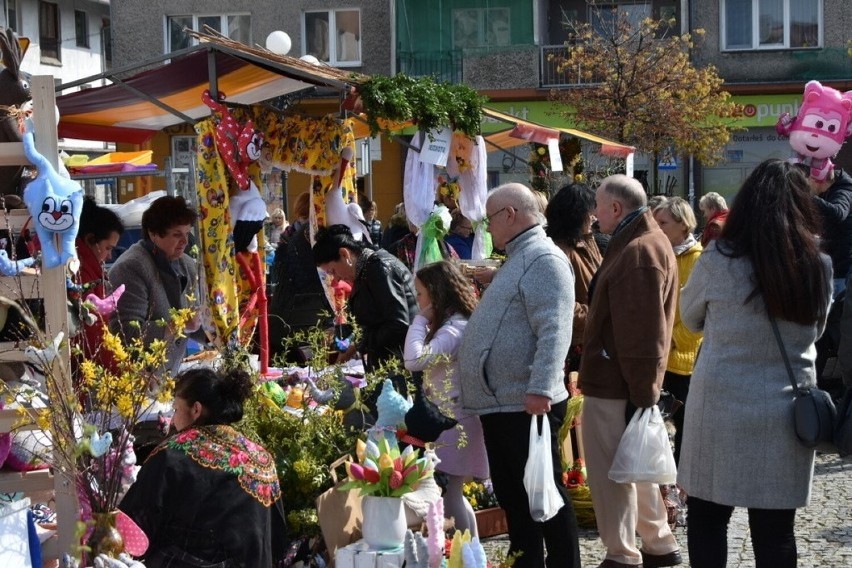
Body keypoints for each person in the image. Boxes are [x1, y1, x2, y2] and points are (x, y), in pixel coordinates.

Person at [679, 159, 832, 568]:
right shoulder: (818, 265)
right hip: (785, 410)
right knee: (776, 531)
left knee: (708, 519)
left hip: (718, 406)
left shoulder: (717, 259)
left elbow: (689, 319)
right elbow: (816, 332)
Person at [458, 183, 581, 568]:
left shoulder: (543, 258)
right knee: (518, 502)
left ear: (510, 215)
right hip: (504, 402)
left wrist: (542, 387)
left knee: (545, 499)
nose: (488, 229)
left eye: (490, 219)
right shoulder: (521, 256)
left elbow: (555, 329)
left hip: (525, 404)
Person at [580, 174, 682, 568]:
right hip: (625, 383)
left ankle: (622, 554)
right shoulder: (645, 242)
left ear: (616, 209)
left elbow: (643, 334)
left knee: (612, 476)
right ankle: (658, 544)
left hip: (617, 385)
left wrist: (642, 397)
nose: (594, 214)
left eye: (598, 206)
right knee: (634, 468)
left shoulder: (639, 250)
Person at [120, 367, 287, 567]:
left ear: (196, 409)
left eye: (175, 409)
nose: (173, 418)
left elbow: (134, 525)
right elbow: (276, 539)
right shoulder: (261, 456)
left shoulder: (174, 451)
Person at [403, 260, 489, 536]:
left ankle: (468, 556)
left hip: (455, 419)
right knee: (454, 493)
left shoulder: (454, 328)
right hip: (455, 416)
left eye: (420, 294)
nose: (417, 300)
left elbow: (414, 359)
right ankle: (472, 554)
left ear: (436, 295)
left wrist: (418, 319)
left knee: (450, 494)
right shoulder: (456, 323)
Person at [108, 196, 201, 376]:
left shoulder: (187, 264)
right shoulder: (131, 267)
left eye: (187, 233)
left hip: (167, 374)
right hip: (137, 377)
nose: (185, 241)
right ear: (153, 234)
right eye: (176, 234)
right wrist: (177, 326)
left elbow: (195, 322)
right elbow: (125, 332)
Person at [312, 224, 417, 374]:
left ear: (344, 254)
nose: (336, 278)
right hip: (385, 362)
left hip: (400, 363)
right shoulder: (365, 270)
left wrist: (358, 344)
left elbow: (398, 323)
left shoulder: (380, 268)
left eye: (332, 271)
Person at [652, 197, 703, 465]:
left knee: (684, 423)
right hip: (658, 352)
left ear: (683, 225)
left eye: (663, 223)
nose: (657, 227)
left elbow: (695, 312)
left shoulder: (698, 258)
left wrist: (673, 339)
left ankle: (683, 482)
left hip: (681, 355)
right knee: (655, 422)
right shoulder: (662, 253)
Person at [545, 182, 603, 372]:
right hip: (574, 344)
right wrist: (599, 318)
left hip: (591, 337)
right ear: (577, 214)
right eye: (591, 212)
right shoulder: (559, 250)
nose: (595, 217)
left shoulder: (586, 240)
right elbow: (561, 303)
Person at [268, 192, 331, 360]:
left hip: (285, 308)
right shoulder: (313, 233)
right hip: (310, 308)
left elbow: (278, 271)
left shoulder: (287, 234)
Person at [75, 197, 124, 361]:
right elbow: (93, 333)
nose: (109, 255)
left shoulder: (87, 269)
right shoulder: (81, 272)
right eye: (107, 248)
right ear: (90, 239)